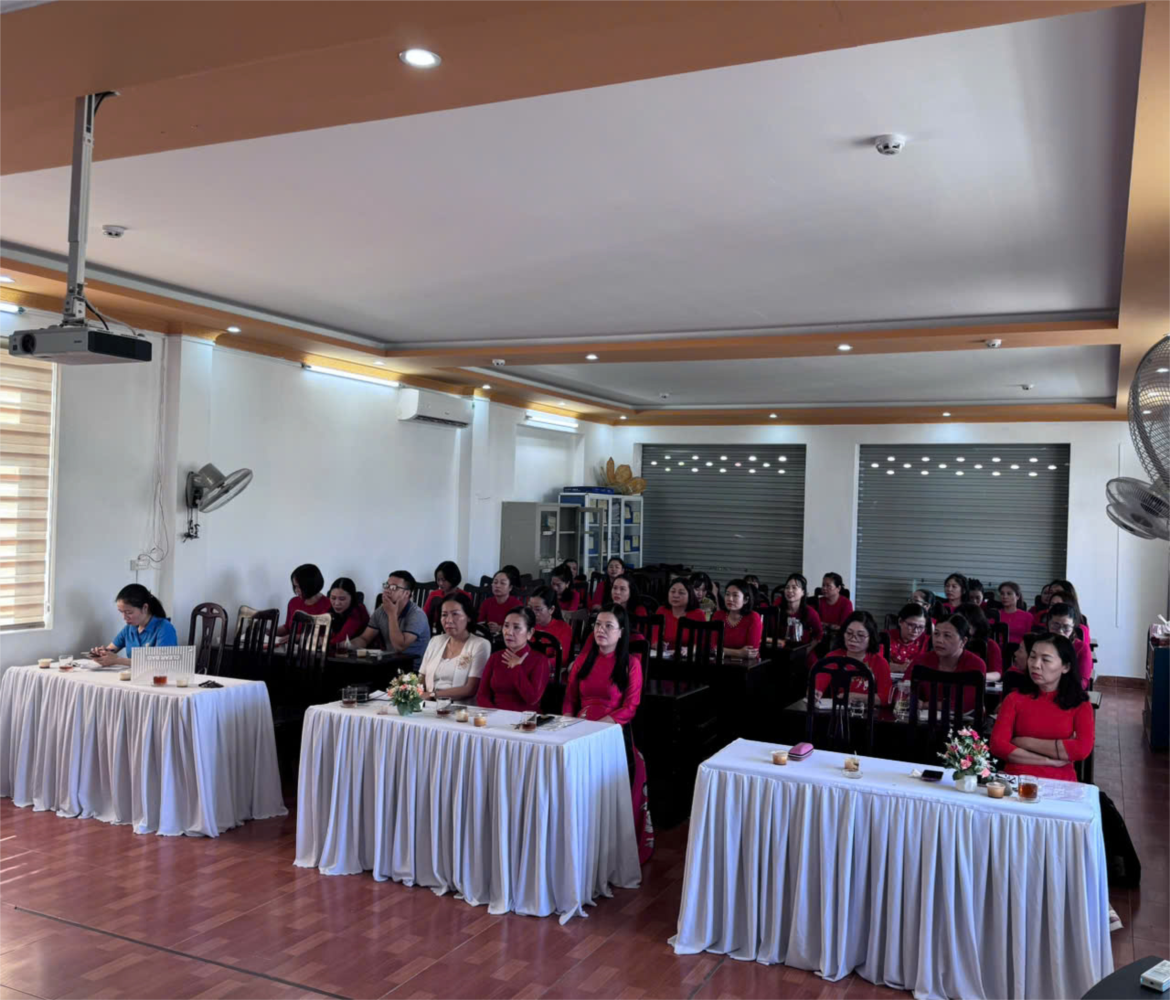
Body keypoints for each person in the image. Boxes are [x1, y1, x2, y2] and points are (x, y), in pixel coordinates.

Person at [563, 606, 652, 863]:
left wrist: (600, 726)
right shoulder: (583, 660)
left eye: (608, 626)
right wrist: (568, 723)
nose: (601, 630)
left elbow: (630, 707)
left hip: (612, 731)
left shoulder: (631, 664)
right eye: (598, 625)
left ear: (621, 632)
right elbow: (570, 699)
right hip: (580, 729)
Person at [989, 633, 1094, 782]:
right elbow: (998, 745)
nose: (1036, 665)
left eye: (1045, 659)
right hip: (1016, 779)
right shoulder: (1014, 699)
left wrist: (1023, 742)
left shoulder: (1080, 704)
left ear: (1065, 667)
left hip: (1061, 782)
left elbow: (1081, 749)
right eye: (1032, 657)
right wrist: (1048, 760)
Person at [904, 614, 987, 713]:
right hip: (923, 719)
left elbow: (967, 704)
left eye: (947, 635)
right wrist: (909, 698)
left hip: (964, 720)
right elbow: (902, 692)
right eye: (936, 634)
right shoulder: (921, 661)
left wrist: (924, 705)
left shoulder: (976, 664)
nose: (939, 640)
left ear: (963, 641)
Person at [418, 592, 491, 700]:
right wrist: (413, 694)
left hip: (460, 706)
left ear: (468, 617)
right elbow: (421, 678)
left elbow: (470, 689)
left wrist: (432, 695)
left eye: (455, 614)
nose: (448, 620)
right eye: (444, 615)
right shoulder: (435, 641)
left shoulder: (480, 645)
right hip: (429, 704)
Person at [351, 570, 431, 667]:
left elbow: (399, 647)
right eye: (386, 586)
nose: (387, 590)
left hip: (412, 670)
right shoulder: (381, 611)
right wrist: (347, 645)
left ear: (406, 593)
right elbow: (365, 638)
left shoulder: (417, 615)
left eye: (394, 587)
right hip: (390, 665)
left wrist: (392, 614)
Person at [477, 607, 550, 712]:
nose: (509, 632)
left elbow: (532, 699)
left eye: (516, 627)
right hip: (495, 716)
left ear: (530, 633)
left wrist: (517, 668)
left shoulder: (540, 660)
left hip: (525, 719)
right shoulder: (495, 657)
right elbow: (482, 696)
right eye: (506, 626)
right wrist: (495, 715)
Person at [91, 584, 178, 666]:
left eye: (129, 612)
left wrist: (118, 660)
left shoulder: (164, 628)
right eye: (121, 612)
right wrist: (100, 653)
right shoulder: (129, 628)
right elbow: (110, 650)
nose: (124, 617)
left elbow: (162, 663)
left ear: (145, 608)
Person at [818, 610, 892, 704]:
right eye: (849, 633)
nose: (853, 639)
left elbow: (886, 698)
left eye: (860, 635)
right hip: (838, 710)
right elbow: (818, 687)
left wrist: (853, 696)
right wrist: (815, 693)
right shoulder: (832, 657)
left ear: (871, 637)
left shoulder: (879, 662)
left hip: (868, 712)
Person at [1042, 602, 1094, 689]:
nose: (1060, 631)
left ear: (1073, 627)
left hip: (1069, 690)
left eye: (1066, 627)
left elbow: (1083, 682)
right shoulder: (1040, 644)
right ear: (1048, 624)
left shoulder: (1081, 648)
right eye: (1055, 625)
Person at [276, 563, 330, 638]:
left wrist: (298, 637)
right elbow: (287, 627)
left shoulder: (328, 605)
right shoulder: (293, 602)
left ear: (311, 585)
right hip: (290, 644)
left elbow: (326, 638)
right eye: (295, 586)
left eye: (299, 587)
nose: (296, 590)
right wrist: (269, 631)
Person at [713, 579, 763, 658]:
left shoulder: (753, 617)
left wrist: (722, 650)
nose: (730, 599)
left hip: (748, 663)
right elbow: (712, 647)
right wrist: (738, 653)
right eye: (727, 594)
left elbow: (751, 652)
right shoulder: (718, 615)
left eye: (735, 595)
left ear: (745, 600)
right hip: (721, 660)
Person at [655, 577, 707, 650]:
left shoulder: (698, 614)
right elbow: (653, 638)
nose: (675, 596)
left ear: (690, 595)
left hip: (689, 655)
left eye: (681, 593)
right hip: (664, 654)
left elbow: (701, 643)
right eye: (672, 591)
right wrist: (658, 645)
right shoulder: (662, 611)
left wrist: (689, 650)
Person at [773, 573, 823, 646]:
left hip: (803, 649)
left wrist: (806, 650)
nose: (790, 590)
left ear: (803, 592)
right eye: (787, 587)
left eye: (794, 588)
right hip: (780, 649)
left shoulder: (810, 612)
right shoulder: (777, 610)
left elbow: (818, 635)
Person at [527, 584, 573, 663]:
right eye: (530, 608)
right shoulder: (526, 624)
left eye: (538, 609)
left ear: (551, 609)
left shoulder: (564, 628)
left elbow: (561, 658)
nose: (532, 613)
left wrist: (536, 664)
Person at [957, 602, 1003, 680]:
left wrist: (975, 677)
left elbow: (996, 674)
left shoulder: (991, 645)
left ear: (976, 624)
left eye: (966, 624)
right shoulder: (952, 642)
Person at [886, 602, 929, 673]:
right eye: (911, 625)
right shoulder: (886, 637)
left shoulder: (926, 641)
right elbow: (874, 663)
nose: (915, 631)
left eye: (921, 627)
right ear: (900, 621)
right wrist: (901, 667)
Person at [326, 577, 370, 647]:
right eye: (333, 598)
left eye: (342, 599)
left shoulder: (358, 610)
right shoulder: (328, 607)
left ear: (352, 598)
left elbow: (341, 639)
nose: (337, 603)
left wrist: (324, 641)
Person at [478, 569, 523, 635]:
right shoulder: (486, 603)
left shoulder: (517, 605)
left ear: (510, 587)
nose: (497, 586)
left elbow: (518, 628)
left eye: (502, 583)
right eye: (495, 582)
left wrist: (500, 628)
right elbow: (480, 622)